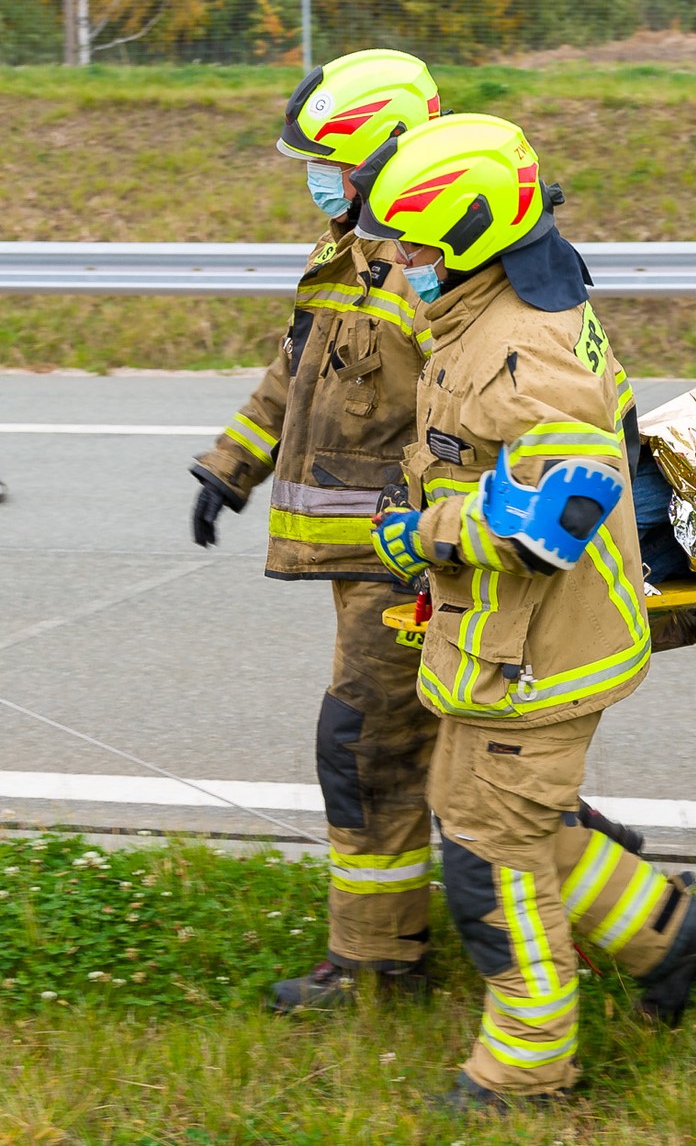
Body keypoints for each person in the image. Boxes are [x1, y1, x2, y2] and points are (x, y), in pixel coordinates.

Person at [354, 113, 696, 1109]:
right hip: (500, 641)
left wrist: (425, 535)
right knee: (493, 810)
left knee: (488, 853)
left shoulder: (521, 346)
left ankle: (529, 1062)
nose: (401, 261)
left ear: (476, 234)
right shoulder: (488, 311)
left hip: (538, 652)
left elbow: (564, 511)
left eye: (418, 244)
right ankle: (667, 932)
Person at [192, 49, 451, 1010]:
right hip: (367, 560)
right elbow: (295, 374)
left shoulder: (425, 268)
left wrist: (424, 536)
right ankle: (647, 925)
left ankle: (379, 969)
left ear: (380, 154)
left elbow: (463, 418)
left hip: (409, 563)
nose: (312, 178)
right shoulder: (349, 248)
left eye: (325, 160)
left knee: (373, 748)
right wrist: (230, 467)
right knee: (421, 752)